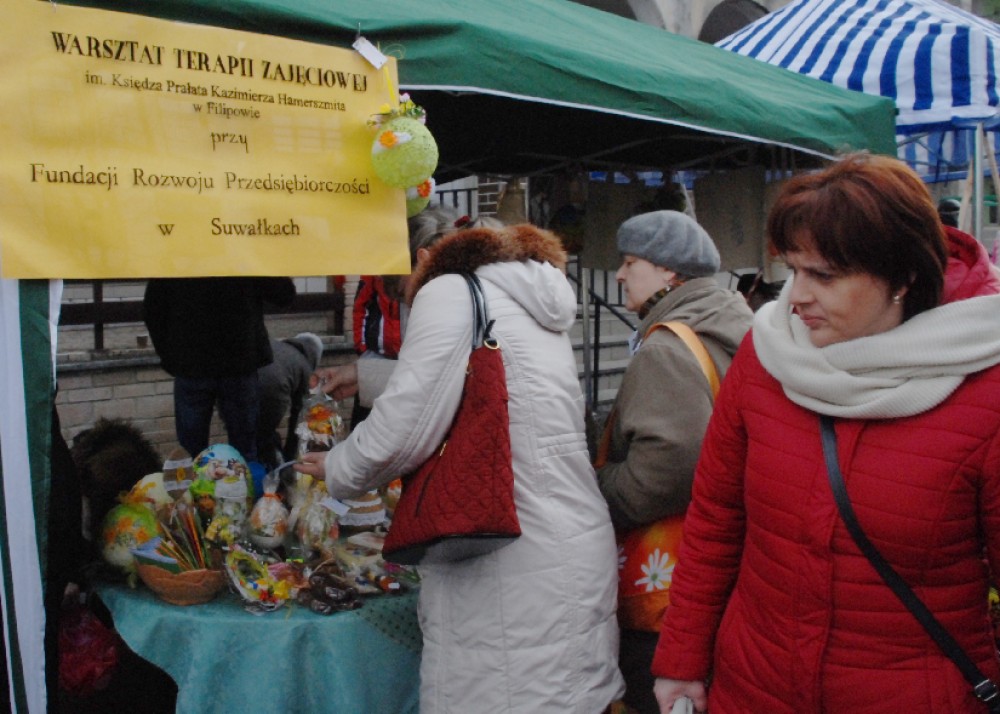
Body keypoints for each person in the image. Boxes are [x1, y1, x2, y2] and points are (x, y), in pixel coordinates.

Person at [652, 152, 1000, 714]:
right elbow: (716, 518)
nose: (796, 296)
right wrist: (682, 659)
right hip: (752, 687)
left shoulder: (985, 385)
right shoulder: (767, 355)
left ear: (903, 277)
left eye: (824, 276)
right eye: (794, 269)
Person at [297, 222, 624, 712]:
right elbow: (482, 377)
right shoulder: (520, 289)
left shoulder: (448, 289)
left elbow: (406, 427)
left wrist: (340, 464)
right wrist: (365, 375)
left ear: (424, 257)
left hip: (508, 559)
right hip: (567, 536)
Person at [595, 210, 752, 714]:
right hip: (730, 568)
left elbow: (668, 468)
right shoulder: (735, 323)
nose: (620, 275)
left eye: (630, 263)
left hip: (669, 588)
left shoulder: (666, 347)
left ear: (668, 271)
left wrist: (601, 488)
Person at [142, 276, 295, 462]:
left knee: (191, 456)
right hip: (237, 362)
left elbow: (153, 310)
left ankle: (199, 481)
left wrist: (170, 357)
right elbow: (283, 295)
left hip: (194, 364)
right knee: (244, 453)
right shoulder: (244, 259)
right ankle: (244, 480)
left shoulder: (178, 260)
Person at [255, 332, 324, 468]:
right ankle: (276, 469)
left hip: (242, 386)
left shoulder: (277, 346)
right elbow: (299, 416)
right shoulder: (304, 365)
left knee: (251, 435)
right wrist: (290, 454)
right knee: (264, 436)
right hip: (273, 389)